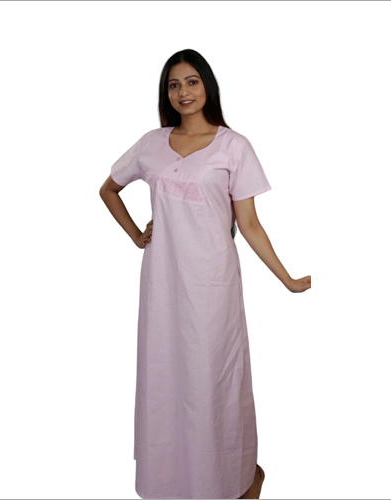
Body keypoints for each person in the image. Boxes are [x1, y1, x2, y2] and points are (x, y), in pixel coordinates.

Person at [99, 49, 311, 500]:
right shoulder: (151, 144)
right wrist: (136, 234)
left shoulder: (233, 146)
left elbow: (249, 224)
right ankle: (172, 482)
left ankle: (234, 479)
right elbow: (109, 189)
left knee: (213, 380)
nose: (183, 92)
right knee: (164, 377)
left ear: (207, 86)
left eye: (192, 82)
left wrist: (288, 279)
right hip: (162, 286)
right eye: (174, 84)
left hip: (213, 286)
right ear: (166, 93)